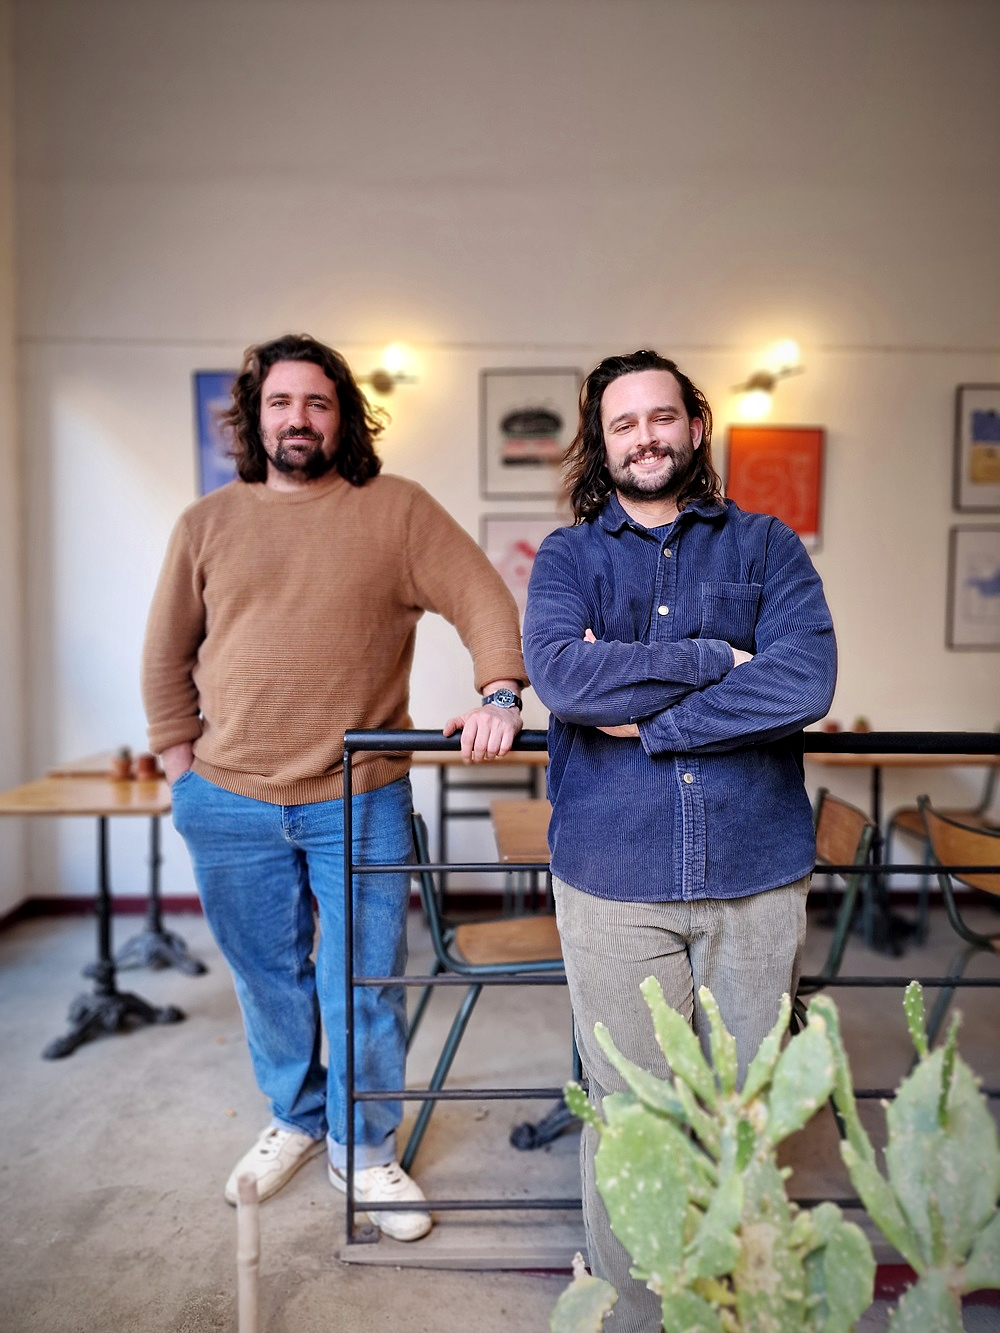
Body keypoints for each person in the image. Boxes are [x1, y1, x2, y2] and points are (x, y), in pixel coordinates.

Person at [142, 333, 526, 1242]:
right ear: (256, 417)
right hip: (227, 798)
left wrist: (500, 691)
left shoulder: (395, 512)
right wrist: (177, 761)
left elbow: (482, 597)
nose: (298, 418)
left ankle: (365, 1144)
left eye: (317, 402)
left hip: (358, 796)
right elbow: (165, 652)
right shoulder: (206, 523)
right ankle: (299, 1118)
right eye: (281, 403)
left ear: (342, 415)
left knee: (363, 980)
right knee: (267, 978)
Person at [522, 349, 836, 1329]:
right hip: (613, 877)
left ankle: (729, 1306)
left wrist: (652, 721)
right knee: (629, 1116)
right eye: (623, 423)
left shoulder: (768, 546)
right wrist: (714, 661)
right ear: (601, 442)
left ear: (695, 427)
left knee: (745, 1111)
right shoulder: (570, 559)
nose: (645, 437)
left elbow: (804, 683)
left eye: (662, 417)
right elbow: (567, 684)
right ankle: (635, 1312)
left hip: (756, 870)